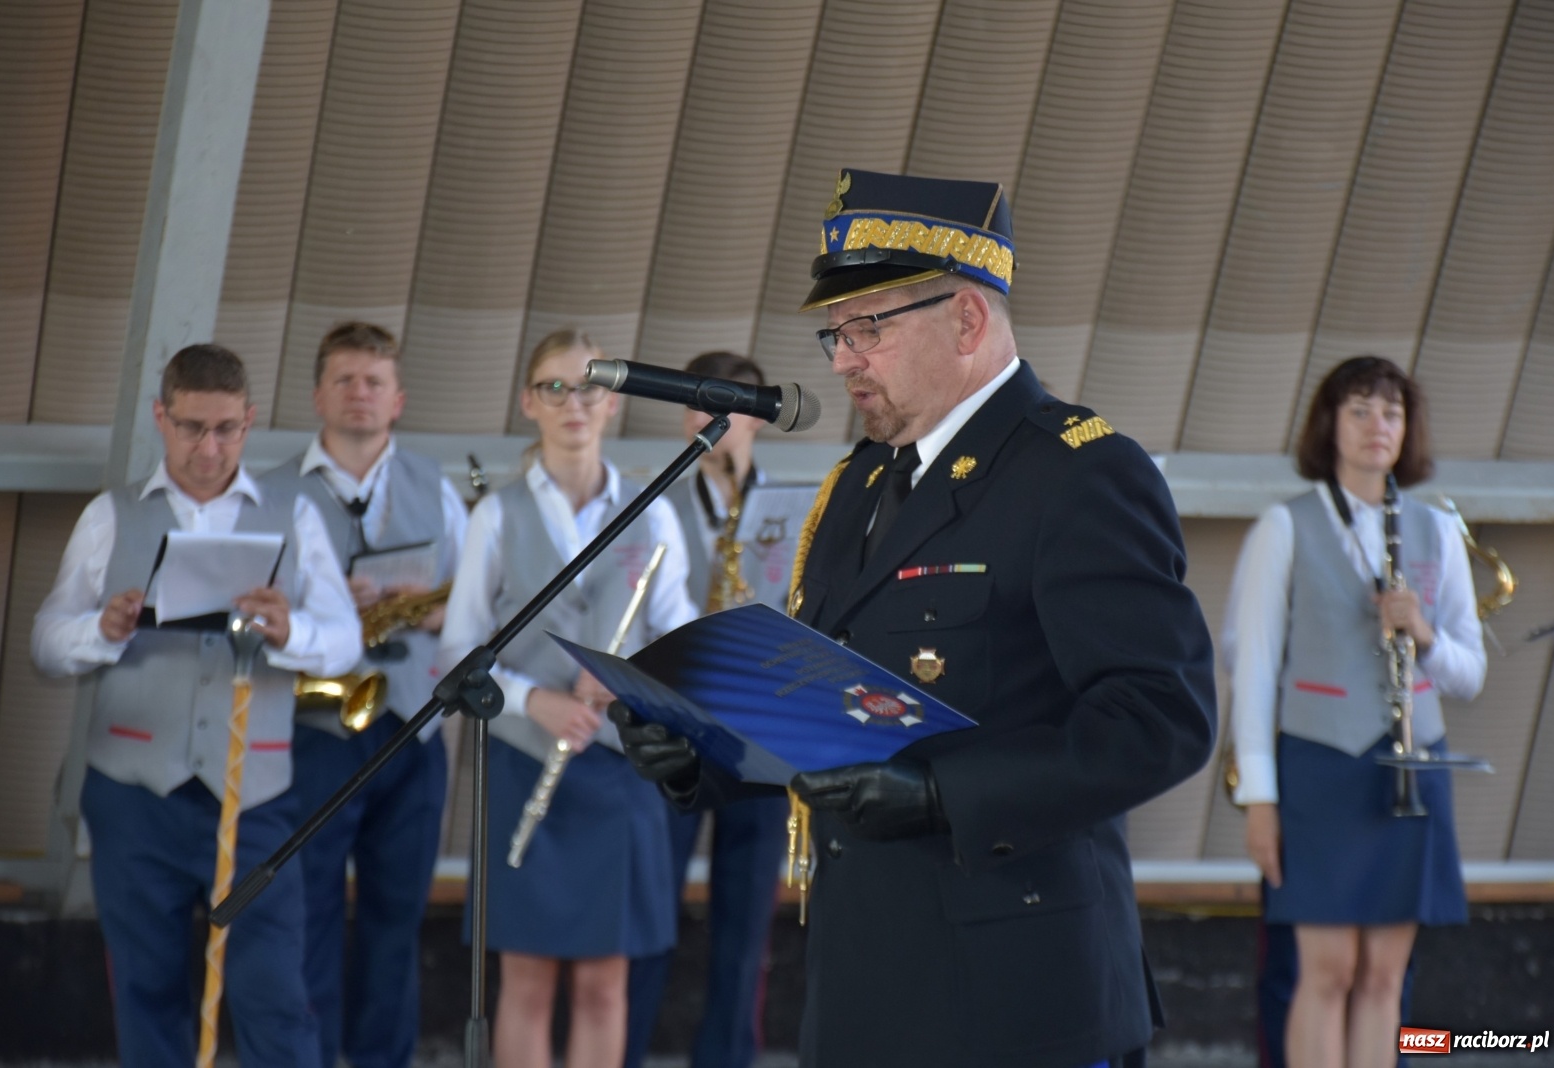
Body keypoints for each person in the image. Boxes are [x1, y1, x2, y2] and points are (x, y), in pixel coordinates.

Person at [611, 169, 1218, 1068]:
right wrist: (700, 751)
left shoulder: (1078, 473)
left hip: (1017, 997)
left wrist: (944, 795)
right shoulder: (860, 483)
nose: (841, 359)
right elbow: (831, 705)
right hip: (866, 988)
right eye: (836, 333)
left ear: (966, 320)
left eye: (868, 329)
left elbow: (1161, 720)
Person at [30, 344, 362, 1068]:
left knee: (273, 989)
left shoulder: (295, 514)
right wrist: (103, 630)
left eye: (226, 430)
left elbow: (344, 643)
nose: (209, 449)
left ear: (248, 422)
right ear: (160, 418)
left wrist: (291, 629)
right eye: (190, 429)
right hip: (134, 787)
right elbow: (45, 644)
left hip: (257, 793)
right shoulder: (110, 516)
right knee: (147, 988)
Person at [439, 328, 698, 1068]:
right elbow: (456, 651)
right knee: (523, 982)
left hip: (620, 772)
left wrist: (628, 676)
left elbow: (680, 640)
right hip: (526, 764)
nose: (573, 403)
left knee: (603, 986)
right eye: (555, 388)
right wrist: (531, 701)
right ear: (530, 403)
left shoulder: (653, 514)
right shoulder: (497, 515)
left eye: (588, 387)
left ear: (611, 403)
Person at [1224, 355, 1485, 1068]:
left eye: (1392, 412)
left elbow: (1469, 674)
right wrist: (1260, 800)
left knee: (1382, 978)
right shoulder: (1286, 526)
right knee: (1328, 971)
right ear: (1329, 425)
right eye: (1360, 410)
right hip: (1320, 767)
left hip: (1413, 768)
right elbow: (1250, 670)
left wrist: (1423, 633)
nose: (1378, 426)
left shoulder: (1435, 530)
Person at [261, 322, 469, 1068]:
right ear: (318, 395)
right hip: (312, 730)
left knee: (395, 921)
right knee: (306, 915)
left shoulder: (436, 488)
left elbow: (474, 610)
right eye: (345, 380)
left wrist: (422, 601)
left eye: (373, 381)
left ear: (398, 399)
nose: (359, 394)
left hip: (410, 731)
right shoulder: (270, 493)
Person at [623, 351, 798, 1068]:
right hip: (674, 735)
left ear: (760, 419)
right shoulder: (648, 506)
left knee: (744, 932)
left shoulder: (797, 509)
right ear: (689, 416)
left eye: (737, 407)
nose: (721, 421)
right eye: (706, 404)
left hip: (760, 740)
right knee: (646, 922)